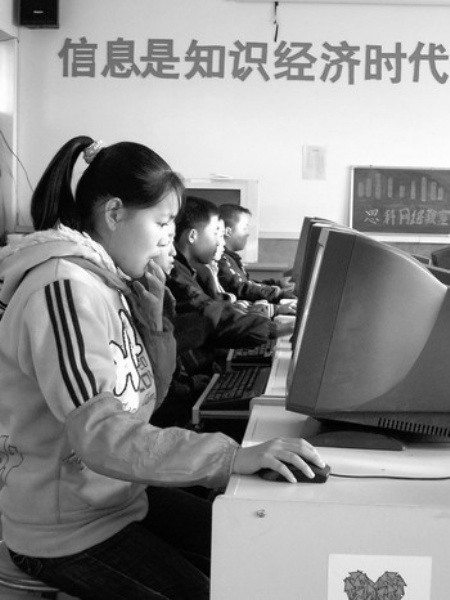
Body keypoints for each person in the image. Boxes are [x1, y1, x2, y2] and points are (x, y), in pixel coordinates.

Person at [0, 136, 325, 600]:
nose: (167, 239)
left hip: (118, 497)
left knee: (257, 547)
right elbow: (102, 435)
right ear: (114, 213)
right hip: (65, 530)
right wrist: (229, 456)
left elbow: (141, 404)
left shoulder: (108, 283)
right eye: (162, 222)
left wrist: (153, 325)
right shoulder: (63, 289)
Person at [218, 203, 297, 305]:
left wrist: (277, 284)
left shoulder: (231, 258)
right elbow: (241, 288)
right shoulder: (222, 259)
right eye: (244, 228)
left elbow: (248, 284)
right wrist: (279, 293)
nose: (248, 233)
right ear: (228, 232)